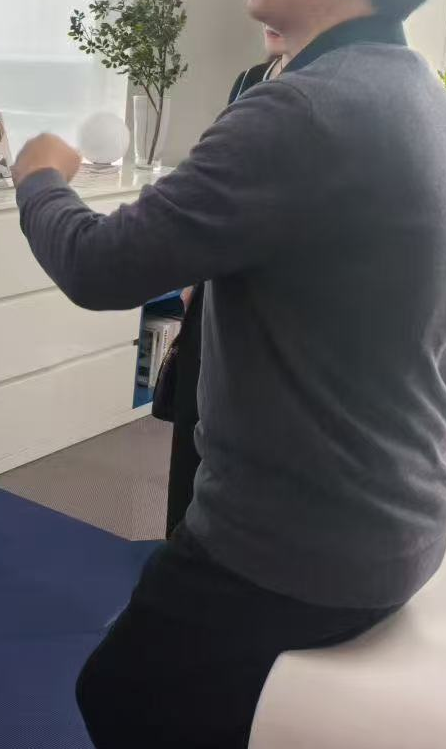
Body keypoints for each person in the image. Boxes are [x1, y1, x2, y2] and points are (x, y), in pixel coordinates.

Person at [10, 0, 446, 748]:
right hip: (408, 515)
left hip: (304, 547)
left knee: (119, 693)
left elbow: (102, 267)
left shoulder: (305, 110)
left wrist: (39, 176)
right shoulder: (429, 104)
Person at [155, 26, 293, 538]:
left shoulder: (329, 93)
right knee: (194, 428)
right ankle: (182, 541)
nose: (264, 8)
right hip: (217, 287)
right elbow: (214, 189)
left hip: (274, 307)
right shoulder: (250, 80)